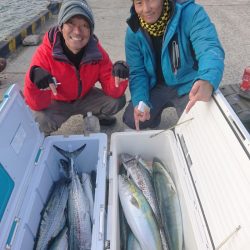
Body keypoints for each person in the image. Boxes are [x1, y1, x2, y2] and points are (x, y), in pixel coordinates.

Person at [24, 0, 129, 135]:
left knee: (117, 101)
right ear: (61, 27)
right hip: (57, 101)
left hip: (85, 97)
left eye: (84, 25)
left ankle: (93, 114)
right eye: (71, 24)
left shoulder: (97, 52)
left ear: (91, 31)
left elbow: (113, 91)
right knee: (39, 121)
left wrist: (120, 73)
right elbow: (36, 105)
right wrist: (33, 79)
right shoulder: (44, 53)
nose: (78, 31)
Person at [123, 0, 225, 130]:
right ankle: (153, 120)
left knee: (200, 125)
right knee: (133, 119)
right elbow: (137, 72)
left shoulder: (192, 13)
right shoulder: (134, 29)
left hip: (187, 85)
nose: (146, 9)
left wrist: (207, 79)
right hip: (155, 87)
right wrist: (140, 100)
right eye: (139, 3)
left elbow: (209, 48)